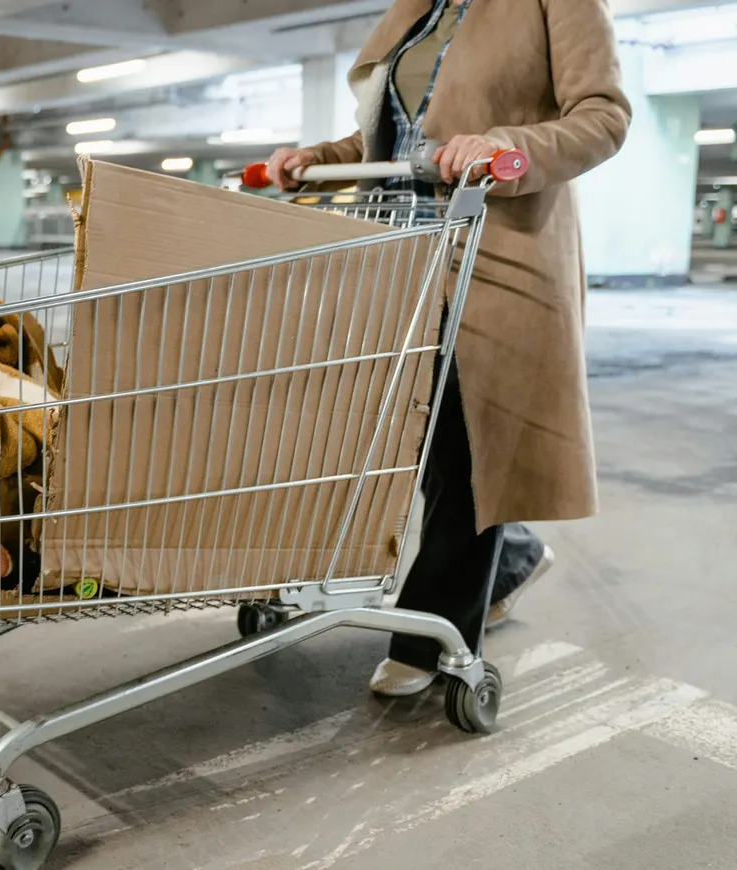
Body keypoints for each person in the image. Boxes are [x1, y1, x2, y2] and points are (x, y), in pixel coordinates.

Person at [265, 0, 631, 696]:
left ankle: (429, 636)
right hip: (405, 258)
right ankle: (513, 556)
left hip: (497, 251)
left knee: (467, 441)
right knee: (427, 438)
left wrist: (505, 145)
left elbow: (603, 115)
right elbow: (395, 139)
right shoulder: (420, 10)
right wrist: (319, 158)